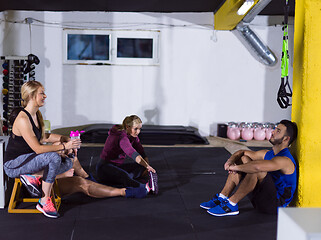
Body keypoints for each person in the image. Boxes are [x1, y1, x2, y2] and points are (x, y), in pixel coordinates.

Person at [3, 81, 80, 218]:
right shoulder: (22, 119)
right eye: (42, 93)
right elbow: (38, 149)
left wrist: (65, 139)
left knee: (68, 161)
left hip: (30, 160)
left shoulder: (36, 115)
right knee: (54, 157)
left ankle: (35, 175)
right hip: (14, 165)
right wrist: (63, 147)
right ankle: (44, 201)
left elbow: (44, 137)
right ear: (32, 95)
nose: (45, 96)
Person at [200, 119, 298, 216]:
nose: (273, 132)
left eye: (278, 131)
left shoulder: (285, 160)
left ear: (286, 139)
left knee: (257, 170)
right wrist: (230, 162)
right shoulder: (267, 153)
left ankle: (231, 204)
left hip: (275, 206)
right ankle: (222, 197)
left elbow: (257, 167)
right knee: (243, 158)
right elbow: (242, 152)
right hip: (261, 200)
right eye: (275, 129)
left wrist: (235, 168)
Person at [96, 115, 158, 194]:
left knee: (140, 167)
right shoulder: (121, 137)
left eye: (139, 129)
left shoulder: (132, 135)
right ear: (127, 127)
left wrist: (146, 165)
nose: (138, 132)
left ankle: (125, 178)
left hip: (117, 166)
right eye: (135, 129)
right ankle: (145, 188)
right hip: (104, 168)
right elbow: (132, 153)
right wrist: (147, 166)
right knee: (124, 175)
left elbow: (140, 149)